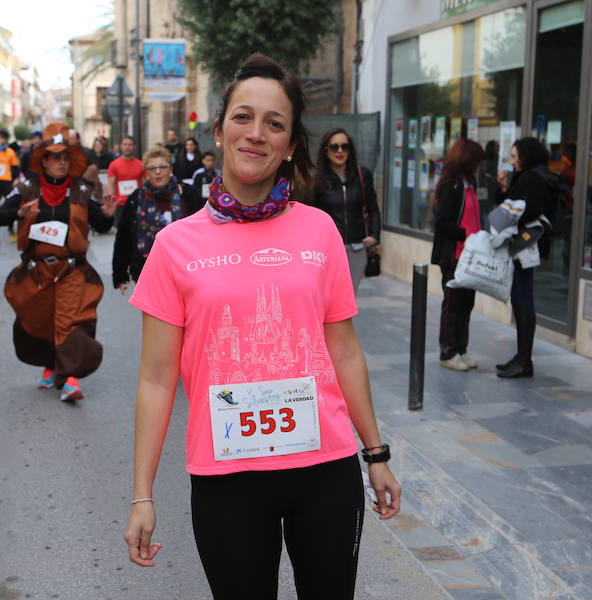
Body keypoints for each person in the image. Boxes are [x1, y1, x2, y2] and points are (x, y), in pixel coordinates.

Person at [122, 53, 401, 599]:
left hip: (325, 468)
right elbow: (156, 380)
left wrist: (376, 455)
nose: (257, 134)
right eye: (243, 117)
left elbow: (343, 351)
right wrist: (142, 494)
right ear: (220, 129)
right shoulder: (175, 246)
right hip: (227, 477)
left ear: (292, 144)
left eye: (275, 123)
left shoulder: (319, 230)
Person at [0, 122, 117, 402]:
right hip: (36, 270)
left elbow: (99, 222)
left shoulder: (81, 190)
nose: (62, 163)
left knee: (71, 322)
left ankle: (70, 378)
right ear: (44, 160)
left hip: (71, 269)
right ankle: (51, 365)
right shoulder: (26, 188)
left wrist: (108, 214)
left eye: (66, 158)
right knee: (42, 321)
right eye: (56, 157)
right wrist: (18, 212)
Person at [495, 137, 559, 378]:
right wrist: (504, 189)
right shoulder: (535, 176)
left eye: (514, 156)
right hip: (526, 245)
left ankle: (524, 360)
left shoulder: (531, 179)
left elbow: (524, 209)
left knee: (522, 299)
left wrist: (505, 211)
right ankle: (521, 357)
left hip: (525, 246)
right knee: (520, 298)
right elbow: (513, 203)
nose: (512, 161)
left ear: (525, 156)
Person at [111, 147, 202, 292]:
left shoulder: (188, 194)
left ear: (170, 169)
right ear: (146, 172)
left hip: (186, 268)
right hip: (147, 270)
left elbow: (203, 232)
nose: (158, 172)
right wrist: (120, 275)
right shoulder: (136, 198)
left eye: (162, 167)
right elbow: (124, 237)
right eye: (152, 168)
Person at [430, 139, 485, 371]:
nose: (480, 165)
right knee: (452, 304)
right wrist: (466, 234)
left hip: (471, 256)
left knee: (466, 304)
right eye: (478, 161)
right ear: (468, 160)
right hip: (454, 256)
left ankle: (461, 348)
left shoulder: (469, 184)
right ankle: (448, 352)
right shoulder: (452, 186)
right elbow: (442, 223)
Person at [310, 127, 381, 295]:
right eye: (334, 147)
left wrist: (374, 235)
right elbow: (310, 217)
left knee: (348, 297)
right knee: (327, 296)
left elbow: (373, 208)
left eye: (344, 146)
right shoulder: (316, 179)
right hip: (328, 250)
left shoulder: (362, 175)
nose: (340, 151)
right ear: (326, 150)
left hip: (356, 248)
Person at [106, 136, 145, 207]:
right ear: (121, 146)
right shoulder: (114, 164)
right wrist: (111, 200)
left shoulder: (141, 165)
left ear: (134, 146)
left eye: (130, 145)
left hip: (137, 203)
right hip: (120, 204)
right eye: (125, 144)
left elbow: (144, 184)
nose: (127, 147)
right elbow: (110, 185)